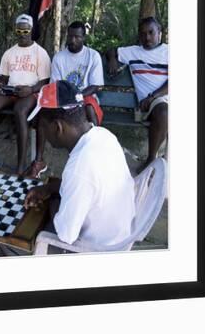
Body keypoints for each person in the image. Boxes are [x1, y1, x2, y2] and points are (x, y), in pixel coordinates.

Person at [24, 81, 135, 254]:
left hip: (97, 249)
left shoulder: (80, 167)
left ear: (57, 127)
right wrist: (50, 188)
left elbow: (66, 236)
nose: (42, 132)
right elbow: (91, 186)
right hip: (119, 234)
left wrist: (53, 201)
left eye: (42, 126)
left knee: (23, 227)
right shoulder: (104, 135)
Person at [26, 21, 105, 177]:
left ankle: (94, 155)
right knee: (43, 115)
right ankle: (39, 161)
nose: (73, 40)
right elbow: (56, 85)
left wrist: (78, 97)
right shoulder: (59, 57)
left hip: (85, 97)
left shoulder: (93, 56)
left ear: (83, 37)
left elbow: (96, 86)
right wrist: (66, 100)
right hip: (62, 98)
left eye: (77, 37)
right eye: (70, 36)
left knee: (89, 109)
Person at [0, 14, 51, 175]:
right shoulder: (9, 53)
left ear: (31, 30)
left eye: (25, 30)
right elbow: (3, 78)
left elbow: (45, 81)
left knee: (20, 110)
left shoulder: (40, 53)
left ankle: (21, 165)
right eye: (19, 30)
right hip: (11, 91)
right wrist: (1, 85)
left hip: (31, 92)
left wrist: (30, 90)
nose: (22, 34)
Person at [106, 16, 168, 171]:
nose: (147, 37)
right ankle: (151, 159)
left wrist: (153, 96)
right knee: (164, 112)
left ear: (159, 32)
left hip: (158, 97)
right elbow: (111, 51)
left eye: (151, 32)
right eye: (143, 34)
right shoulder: (132, 52)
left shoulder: (168, 52)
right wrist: (112, 59)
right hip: (154, 105)